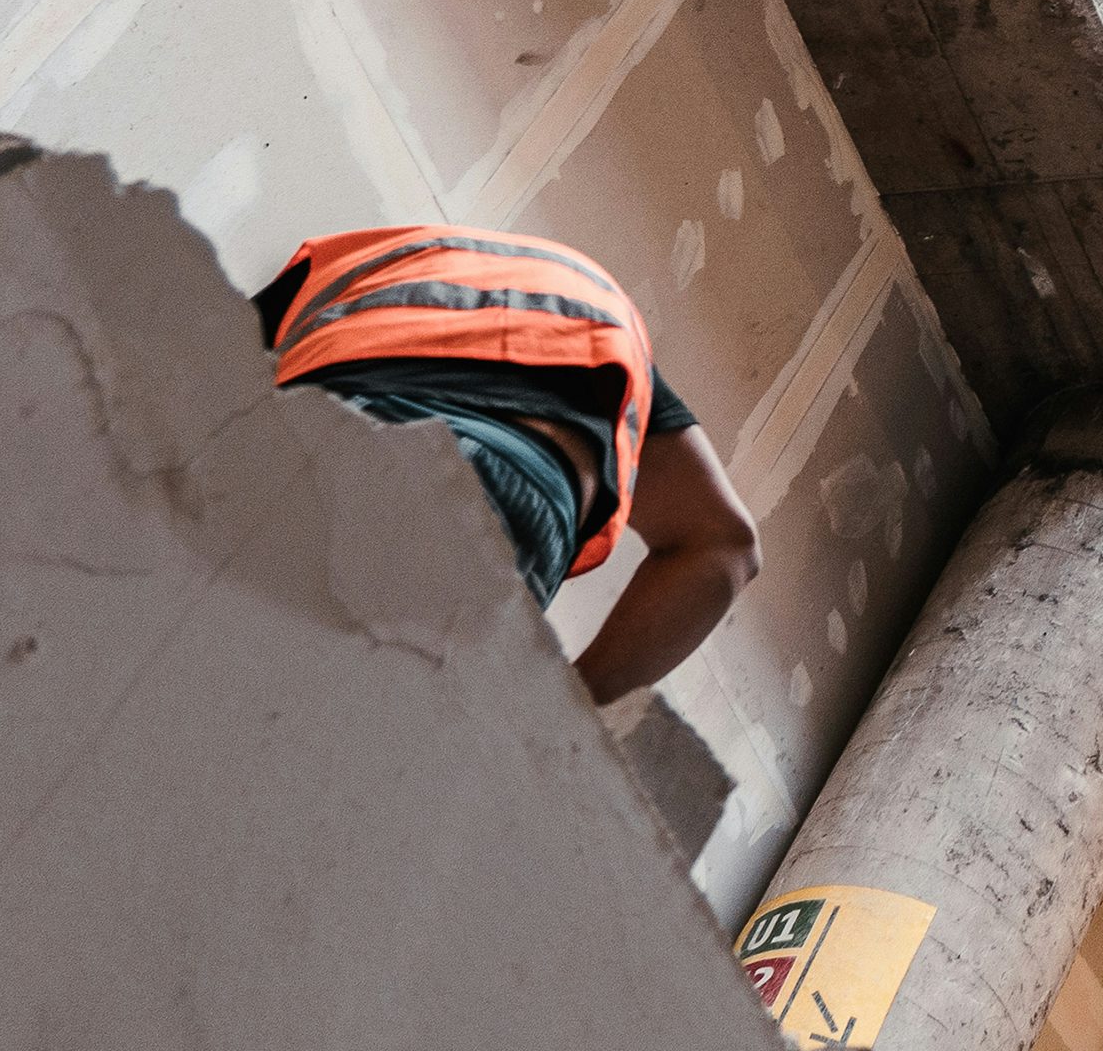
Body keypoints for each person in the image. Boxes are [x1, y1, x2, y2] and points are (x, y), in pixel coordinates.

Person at [254, 223, 759, 702]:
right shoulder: (588, 318)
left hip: (375, 430)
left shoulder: (336, 267)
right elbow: (726, 546)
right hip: (527, 503)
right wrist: (560, 722)